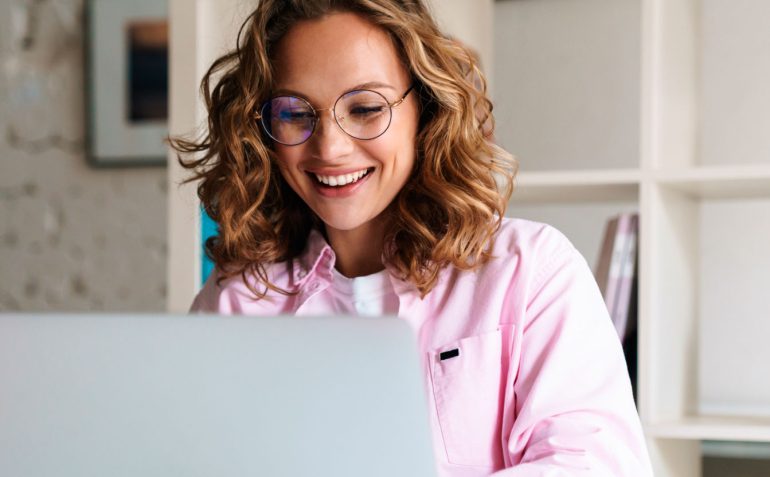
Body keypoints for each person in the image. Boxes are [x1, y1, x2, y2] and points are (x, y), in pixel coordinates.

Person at [171, 1, 653, 475]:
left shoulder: (529, 272)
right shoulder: (236, 298)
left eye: (364, 108)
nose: (330, 148)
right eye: (295, 113)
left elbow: (599, 467)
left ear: (423, 107)